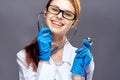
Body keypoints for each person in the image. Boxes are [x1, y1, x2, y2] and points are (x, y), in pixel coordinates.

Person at [16, 0, 95, 80]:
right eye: (54, 9)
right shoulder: (25, 56)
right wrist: (44, 60)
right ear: (46, 12)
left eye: (67, 14)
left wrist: (77, 76)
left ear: (73, 23)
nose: (59, 16)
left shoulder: (81, 59)